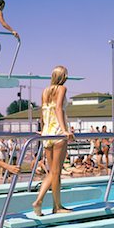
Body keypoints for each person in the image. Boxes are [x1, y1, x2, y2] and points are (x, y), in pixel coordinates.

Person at [31, 66, 74, 216]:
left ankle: (52, 204)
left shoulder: (45, 91)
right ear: (63, 76)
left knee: (53, 172)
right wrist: (64, 130)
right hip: (57, 132)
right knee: (56, 171)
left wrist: (43, 129)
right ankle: (49, 204)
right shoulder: (62, 89)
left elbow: (43, 111)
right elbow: (58, 109)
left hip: (47, 132)